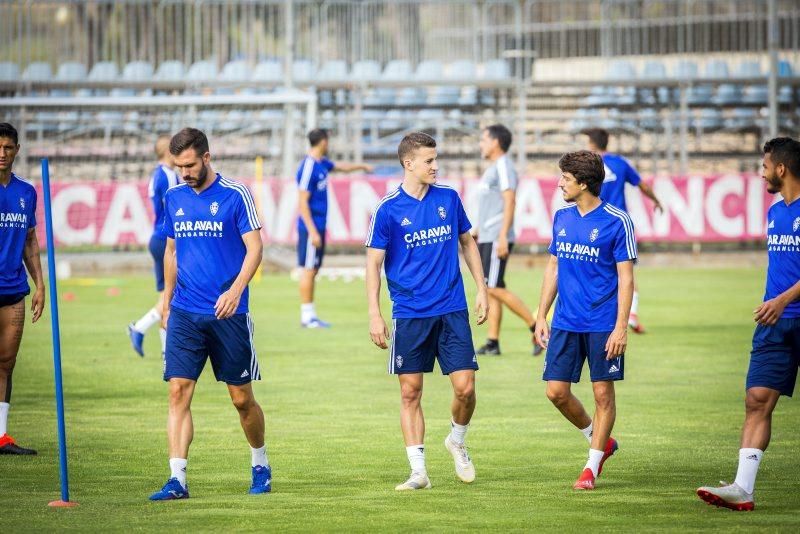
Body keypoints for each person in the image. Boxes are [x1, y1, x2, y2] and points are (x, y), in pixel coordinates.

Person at [149, 128, 271, 500]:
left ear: (206, 157)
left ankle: (260, 463)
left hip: (228, 314)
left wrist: (235, 291)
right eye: (178, 166)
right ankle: (177, 479)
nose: (184, 172)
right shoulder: (174, 197)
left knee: (241, 398)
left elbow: (255, 248)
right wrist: (166, 301)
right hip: (185, 312)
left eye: (189, 165)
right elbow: (171, 251)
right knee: (177, 392)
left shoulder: (236, 195)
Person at [365, 132, 488, 491]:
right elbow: (373, 264)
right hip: (410, 314)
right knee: (410, 392)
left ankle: (457, 440)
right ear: (409, 164)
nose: (436, 166)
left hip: (451, 309)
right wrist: (375, 313)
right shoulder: (387, 209)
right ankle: (418, 471)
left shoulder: (448, 199)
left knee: (465, 388)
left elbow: (467, 242)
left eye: (436, 160)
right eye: (429, 161)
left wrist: (481, 288)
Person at [696, 137, 800, 511]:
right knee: (756, 400)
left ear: (781, 169)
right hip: (775, 323)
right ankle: (743, 488)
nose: (762, 173)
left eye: (764, 166)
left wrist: (784, 299)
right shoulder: (776, 211)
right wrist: (777, 304)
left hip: (785, 310)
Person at [533, 150, 637, 490]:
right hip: (565, 321)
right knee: (556, 392)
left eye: (565, 178)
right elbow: (553, 266)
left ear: (584, 183)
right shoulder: (562, 217)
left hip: (602, 323)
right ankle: (600, 439)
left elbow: (626, 278)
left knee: (602, 394)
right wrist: (541, 314)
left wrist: (622, 325)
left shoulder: (616, 221)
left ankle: (590, 468)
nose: (560, 182)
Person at [582, 128, 662, 334]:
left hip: (593, 224)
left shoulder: (587, 165)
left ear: (592, 144)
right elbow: (642, 185)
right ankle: (632, 314)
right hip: (617, 225)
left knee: (587, 271)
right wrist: (656, 200)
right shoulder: (620, 163)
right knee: (625, 272)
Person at [472, 124, 542, 357]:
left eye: (483, 139)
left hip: (495, 237)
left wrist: (502, 235)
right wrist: (478, 229)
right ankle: (493, 342)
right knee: (492, 288)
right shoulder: (494, 168)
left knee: (492, 287)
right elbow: (494, 206)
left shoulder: (503, 166)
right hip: (488, 234)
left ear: (495, 142)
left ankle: (536, 327)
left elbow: (509, 200)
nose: (480, 144)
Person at [296, 128, 372, 328]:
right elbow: (302, 202)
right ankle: (307, 316)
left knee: (313, 269)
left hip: (318, 226)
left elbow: (342, 167)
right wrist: (312, 231)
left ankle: (310, 315)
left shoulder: (322, 164)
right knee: (309, 269)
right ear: (323, 142)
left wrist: (361, 166)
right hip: (310, 227)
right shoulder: (308, 167)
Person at [0, 122, 44, 455]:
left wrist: (40, 284)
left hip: (14, 288)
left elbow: (30, 240)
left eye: (8, 148)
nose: (2, 154)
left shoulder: (26, 192)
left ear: (17, 150)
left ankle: (2, 437)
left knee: (6, 363)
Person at [128, 135, 179, 357]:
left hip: (158, 237)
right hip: (167, 239)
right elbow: (173, 208)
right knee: (171, 295)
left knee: (167, 296)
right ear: (169, 152)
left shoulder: (159, 174)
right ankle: (142, 329)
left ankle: (161, 345)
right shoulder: (167, 177)